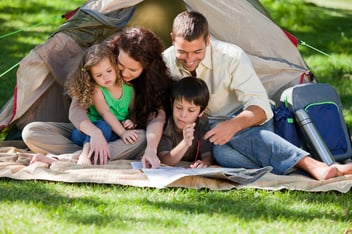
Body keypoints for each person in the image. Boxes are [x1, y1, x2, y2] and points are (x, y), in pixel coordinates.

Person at [162, 11, 352, 180]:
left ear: (208, 40)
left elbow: (261, 109)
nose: (189, 59)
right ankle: (294, 166)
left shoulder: (231, 56)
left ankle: (313, 166)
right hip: (209, 130)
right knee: (222, 154)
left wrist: (232, 125)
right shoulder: (166, 61)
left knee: (232, 140)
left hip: (248, 120)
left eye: (197, 51)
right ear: (172, 39)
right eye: (182, 52)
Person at [23, 27, 172, 168]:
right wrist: (95, 133)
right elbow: (76, 110)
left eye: (132, 69)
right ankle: (94, 153)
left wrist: (151, 149)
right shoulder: (101, 63)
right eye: (120, 65)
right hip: (87, 129)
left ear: (147, 68)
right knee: (31, 132)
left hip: (119, 136)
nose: (125, 73)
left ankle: (72, 158)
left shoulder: (151, 83)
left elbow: (156, 116)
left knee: (144, 138)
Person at [31, 43, 138, 166]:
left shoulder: (130, 89)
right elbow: (105, 113)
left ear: (115, 66)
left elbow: (134, 111)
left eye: (109, 71)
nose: (105, 77)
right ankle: (86, 154)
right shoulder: (97, 90)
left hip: (114, 134)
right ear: (91, 76)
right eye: (99, 75)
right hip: (87, 133)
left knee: (141, 138)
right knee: (103, 126)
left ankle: (63, 158)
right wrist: (123, 133)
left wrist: (132, 120)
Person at [158, 77, 213, 168]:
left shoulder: (202, 123)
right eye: (179, 107)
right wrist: (185, 143)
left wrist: (205, 162)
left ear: (201, 112)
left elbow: (207, 154)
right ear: (172, 104)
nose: (183, 115)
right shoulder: (167, 124)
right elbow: (165, 160)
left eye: (191, 110)